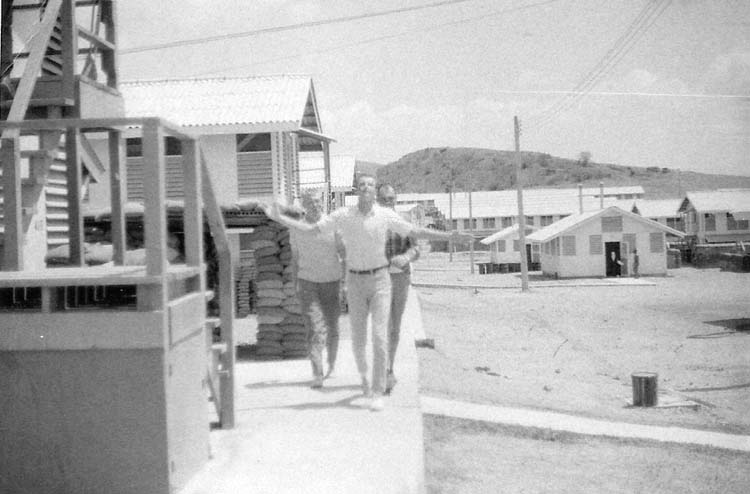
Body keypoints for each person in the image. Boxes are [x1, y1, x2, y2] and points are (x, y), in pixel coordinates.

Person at [263, 174, 472, 411]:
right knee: (359, 341)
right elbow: (311, 230)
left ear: (373, 192)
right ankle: (365, 378)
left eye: (369, 185)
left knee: (380, 335)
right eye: (361, 184)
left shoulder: (385, 215)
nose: (365, 188)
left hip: (381, 280)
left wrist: (449, 236)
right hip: (355, 281)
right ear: (357, 190)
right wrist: (280, 217)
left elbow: (414, 231)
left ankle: (377, 390)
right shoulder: (344, 215)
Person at [290, 191, 344, 389]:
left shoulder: (332, 225)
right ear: (303, 206)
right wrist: (295, 282)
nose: (314, 205)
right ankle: (317, 373)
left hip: (332, 282)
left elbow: (343, 253)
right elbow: (295, 259)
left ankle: (332, 364)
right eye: (310, 203)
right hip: (307, 283)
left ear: (323, 203)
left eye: (317, 201)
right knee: (314, 327)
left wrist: (345, 282)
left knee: (333, 327)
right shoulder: (297, 229)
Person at [376, 183, 419, 395]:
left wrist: (406, 256)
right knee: (383, 326)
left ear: (396, 199)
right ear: (377, 200)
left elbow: (416, 248)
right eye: (384, 199)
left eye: (391, 199)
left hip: (401, 278)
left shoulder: (405, 221)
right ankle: (383, 371)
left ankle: (389, 367)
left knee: (395, 328)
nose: (388, 202)